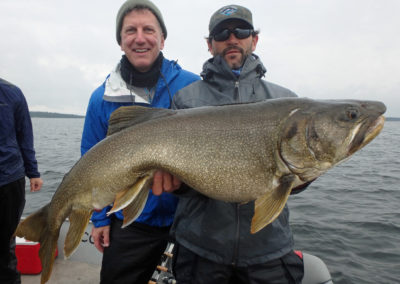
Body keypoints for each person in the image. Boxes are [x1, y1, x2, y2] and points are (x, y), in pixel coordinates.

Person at [152, 4, 307, 284]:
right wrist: (178, 183)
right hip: (201, 251)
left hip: (268, 252)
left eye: (241, 31)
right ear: (210, 45)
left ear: (254, 39)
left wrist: (306, 172)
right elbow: (181, 183)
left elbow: (289, 183)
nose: (232, 38)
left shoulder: (287, 102)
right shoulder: (185, 101)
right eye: (222, 33)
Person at [81, 0, 199, 283]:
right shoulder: (102, 98)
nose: (140, 38)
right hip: (132, 220)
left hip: (190, 215)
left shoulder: (195, 88)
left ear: (162, 38)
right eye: (130, 30)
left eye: (149, 29)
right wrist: (99, 220)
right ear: (121, 42)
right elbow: (89, 163)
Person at [0, 78, 43, 284]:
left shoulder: (12, 92)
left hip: (9, 180)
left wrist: (33, 172)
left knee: (5, 246)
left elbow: (25, 135)